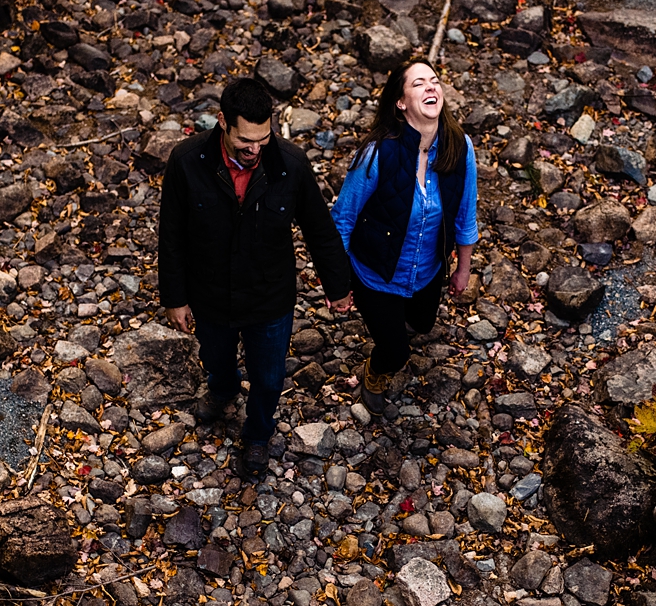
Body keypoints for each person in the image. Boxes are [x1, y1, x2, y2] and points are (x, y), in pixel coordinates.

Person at [159, 77, 353, 475]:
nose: (254, 150)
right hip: (210, 294)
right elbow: (172, 234)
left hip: (270, 297)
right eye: (245, 141)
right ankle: (223, 389)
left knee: (268, 378)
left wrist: (338, 286)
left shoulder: (290, 164)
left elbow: (319, 229)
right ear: (223, 123)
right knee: (216, 359)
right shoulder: (186, 160)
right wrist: (174, 298)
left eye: (262, 140)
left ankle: (258, 435)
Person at [331, 59, 479, 415]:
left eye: (435, 81)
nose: (431, 87)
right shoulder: (377, 153)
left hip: (427, 270)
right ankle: (374, 373)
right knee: (396, 351)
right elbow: (342, 219)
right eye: (418, 84)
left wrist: (463, 268)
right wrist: (338, 283)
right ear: (401, 102)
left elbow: (465, 214)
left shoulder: (460, 148)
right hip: (375, 273)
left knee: (424, 323)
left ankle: (398, 324)